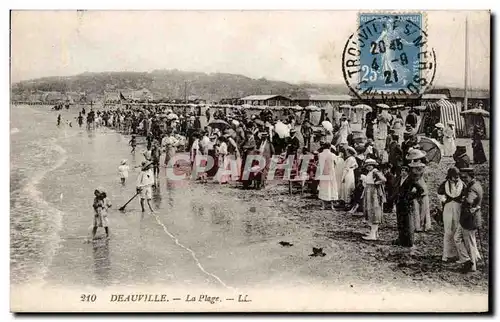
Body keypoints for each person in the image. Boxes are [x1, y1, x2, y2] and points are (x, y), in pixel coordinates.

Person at [456, 167, 483, 273]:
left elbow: (469, 201)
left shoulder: (472, 188)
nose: (464, 179)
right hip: (469, 218)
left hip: (469, 219)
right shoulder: (476, 184)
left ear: (470, 176)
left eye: (465, 177)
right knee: (458, 238)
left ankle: (472, 265)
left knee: (469, 243)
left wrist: (464, 200)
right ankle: (470, 259)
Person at [393, 163, 425, 247]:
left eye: (404, 171)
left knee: (408, 222)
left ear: (408, 172)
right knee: (400, 222)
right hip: (399, 202)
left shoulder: (411, 180)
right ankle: (401, 239)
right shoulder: (399, 179)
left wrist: (411, 196)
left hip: (407, 203)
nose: (403, 172)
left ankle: (409, 241)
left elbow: (421, 190)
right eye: (402, 171)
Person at [437, 167, 464, 262]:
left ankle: (459, 254)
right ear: (449, 176)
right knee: (448, 230)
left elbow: (465, 194)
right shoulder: (445, 184)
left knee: (458, 229)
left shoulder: (462, 184)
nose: (456, 178)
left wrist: (462, 201)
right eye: (454, 177)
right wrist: (444, 200)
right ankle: (447, 254)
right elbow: (440, 194)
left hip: (458, 207)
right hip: (448, 207)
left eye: (457, 176)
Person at [362, 159, 386, 241]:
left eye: (370, 165)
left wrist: (376, 183)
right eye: (367, 165)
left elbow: (383, 179)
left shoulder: (375, 171)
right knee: (370, 211)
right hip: (369, 192)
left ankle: (373, 234)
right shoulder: (370, 172)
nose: (369, 166)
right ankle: (374, 232)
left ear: (374, 165)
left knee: (374, 211)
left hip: (373, 193)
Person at [317, 142, 339, 210]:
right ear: (330, 147)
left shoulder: (320, 154)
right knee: (331, 187)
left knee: (324, 187)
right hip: (331, 172)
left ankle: (323, 205)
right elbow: (336, 163)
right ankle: (332, 205)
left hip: (323, 172)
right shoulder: (332, 155)